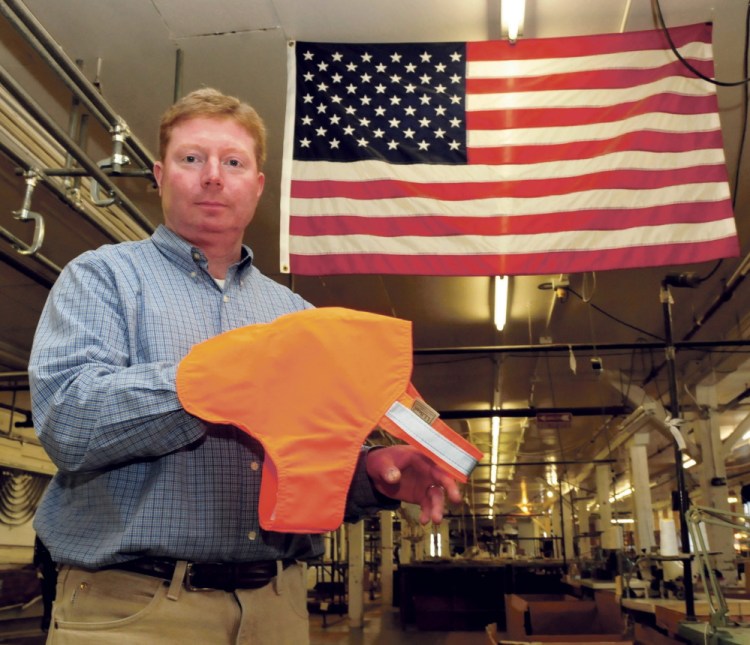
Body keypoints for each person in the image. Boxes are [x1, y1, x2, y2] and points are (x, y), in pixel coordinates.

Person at [28, 87, 462, 644]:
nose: (213, 176)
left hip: (278, 608)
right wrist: (224, 380)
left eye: (233, 162)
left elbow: (310, 456)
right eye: (192, 158)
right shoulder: (102, 278)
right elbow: (70, 424)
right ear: (160, 174)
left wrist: (371, 474)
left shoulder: (297, 315)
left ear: (257, 184)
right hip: (136, 611)